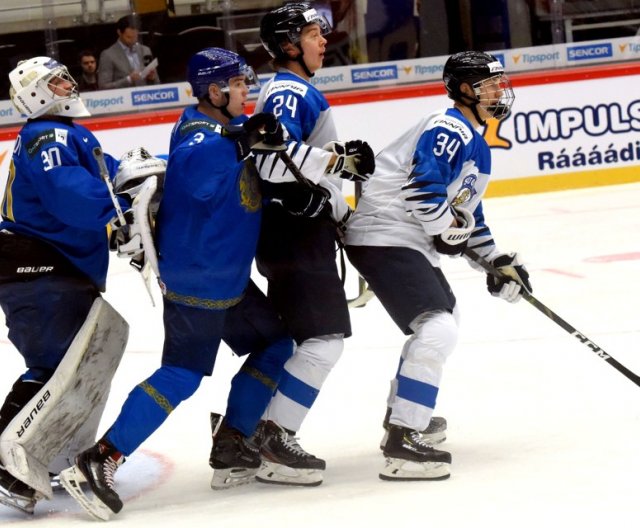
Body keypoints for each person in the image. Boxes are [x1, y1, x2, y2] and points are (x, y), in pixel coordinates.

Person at [59, 47, 295, 520]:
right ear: (215, 90)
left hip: (224, 275)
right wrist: (245, 138)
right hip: (198, 278)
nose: (247, 91)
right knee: (182, 375)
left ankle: (232, 439)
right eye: (240, 84)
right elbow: (200, 169)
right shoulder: (198, 133)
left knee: (276, 344)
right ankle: (99, 459)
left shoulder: (222, 129)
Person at [344, 51, 531, 481]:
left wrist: (497, 261)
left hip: (402, 239)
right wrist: (451, 232)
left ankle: (405, 417)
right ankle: (404, 439)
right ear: (464, 89)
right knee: (437, 327)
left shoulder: (476, 145)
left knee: (443, 320)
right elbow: (424, 194)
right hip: (383, 233)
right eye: (489, 84)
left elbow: (468, 217)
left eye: (499, 83)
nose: (499, 91)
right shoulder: (448, 127)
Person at [246, 2, 375, 487]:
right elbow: (272, 164)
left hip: (297, 232)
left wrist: (340, 209)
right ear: (287, 44)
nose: (325, 40)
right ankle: (274, 436)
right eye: (314, 33)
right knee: (323, 342)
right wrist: (338, 164)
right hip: (293, 234)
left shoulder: (298, 91)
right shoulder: (288, 90)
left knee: (304, 341)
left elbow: (292, 166)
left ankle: (240, 433)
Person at [0, 56, 130, 515]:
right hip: (40, 269)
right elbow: (76, 199)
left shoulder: (68, 134)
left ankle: (33, 456)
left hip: (54, 269)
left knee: (61, 367)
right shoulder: (47, 135)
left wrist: (144, 169)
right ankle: (7, 469)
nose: (68, 83)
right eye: (56, 80)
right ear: (34, 93)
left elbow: (112, 173)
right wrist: (124, 201)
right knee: (53, 367)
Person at [98, 15, 159, 89]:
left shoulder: (145, 50)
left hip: (146, 96)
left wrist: (152, 78)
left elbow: (157, 82)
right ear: (119, 32)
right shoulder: (108, 55)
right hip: (123, 98)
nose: (133, 40)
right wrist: (128, 80)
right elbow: (103, 86)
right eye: (129, 37)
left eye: (135, 37)